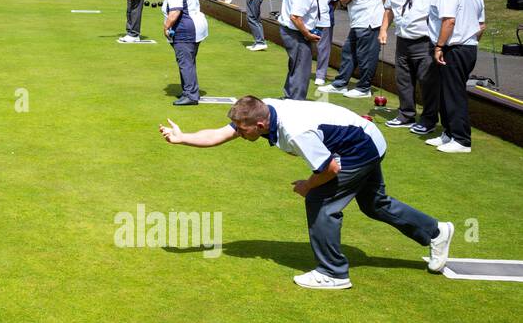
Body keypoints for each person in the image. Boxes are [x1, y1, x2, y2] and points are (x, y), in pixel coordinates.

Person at [159, 96, 454, 290]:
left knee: (321, 201)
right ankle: (436, 232)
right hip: (364, 139)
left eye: (242, 129)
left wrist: (306, 185)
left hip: (357, 149)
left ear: (260, 125)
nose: (238, 132)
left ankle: (333, 273)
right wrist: (182, 138)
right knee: (374, 204)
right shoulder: (262, 111)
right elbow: (218, 135)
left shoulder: (295, 131)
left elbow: (329, 169)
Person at [419, 0, 485, 154]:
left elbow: (449, 21)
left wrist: (439, 46)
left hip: (454, 48)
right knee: (446, 92)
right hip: (467, 47)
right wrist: (469, 42)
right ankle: (448, 133)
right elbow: (481, 25)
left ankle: (462, 140)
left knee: (453, 94)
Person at [380, 0, 438, 130]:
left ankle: (429, 120)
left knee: (427, 82)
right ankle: (406, 115)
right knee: (403, 80)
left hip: (426, 42)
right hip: (402, 40)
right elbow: (389, 9)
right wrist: (383, 29)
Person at [320, 0, 383, 98]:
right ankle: (340, 84)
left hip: (368, 22)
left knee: (365, 56)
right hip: (359, 22)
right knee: (348, 52)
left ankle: (364, 88)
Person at [161, 0, 208, 106]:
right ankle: (189, 91)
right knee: (188, 61)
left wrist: (166, 27)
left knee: (185, 62)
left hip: (186, 29)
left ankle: (191, 95)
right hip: (196, 27)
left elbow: (175, 11)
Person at [278, 0, 324, 100]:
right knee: (301, 69)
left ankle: (289, 98)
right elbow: (295, 17)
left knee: (296, 66)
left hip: (293, 31)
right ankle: (296, 102)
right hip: (296, 33)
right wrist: (308, 34)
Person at [310, 0, 340, 87]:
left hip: (325, 22)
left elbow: (334, 3)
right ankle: (303, 72)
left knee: (323, 49)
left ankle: (320, 75)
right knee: (306, 48)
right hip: (308, 22)